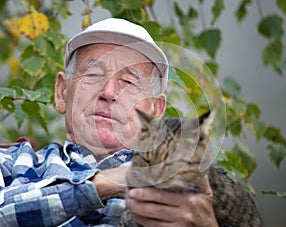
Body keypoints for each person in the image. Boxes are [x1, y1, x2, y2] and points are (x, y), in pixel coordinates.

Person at [0, 18, 222, 226]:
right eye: (93, 74)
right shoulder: (9, 162)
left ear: (156, 111)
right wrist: (102, 184)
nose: (108, 92)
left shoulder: (198, 191)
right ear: (61, 93)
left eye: (129, 82)